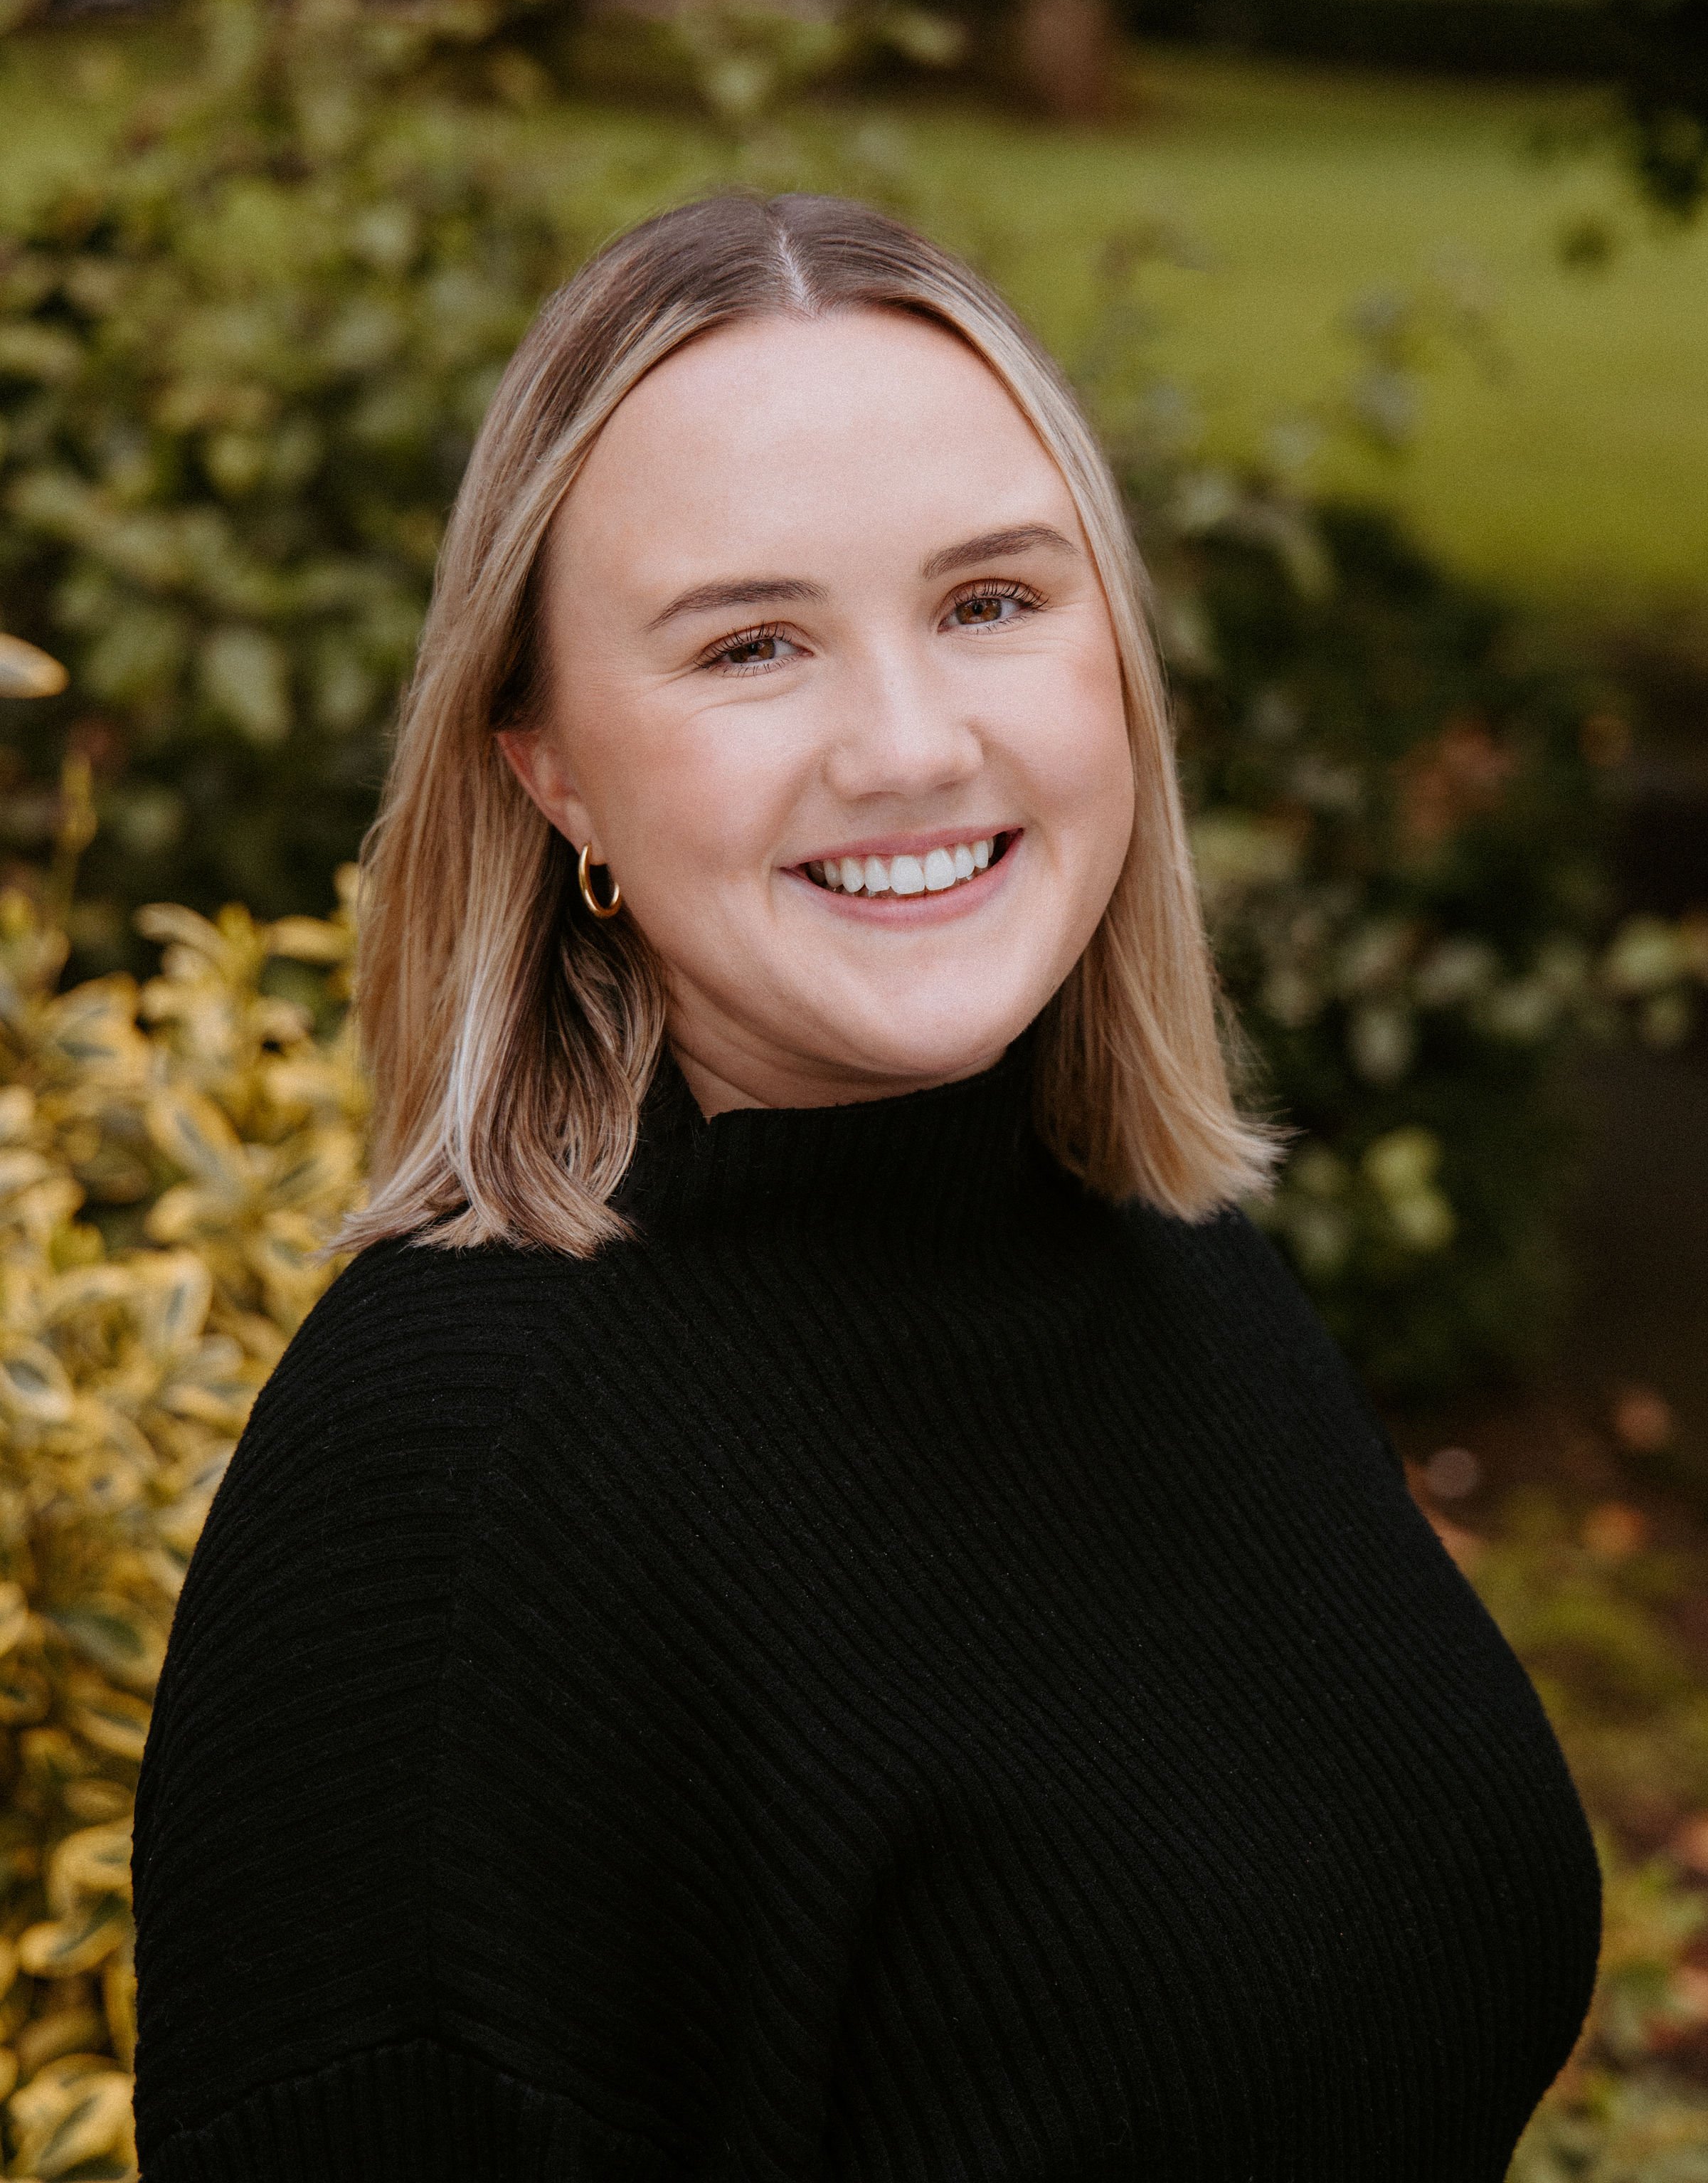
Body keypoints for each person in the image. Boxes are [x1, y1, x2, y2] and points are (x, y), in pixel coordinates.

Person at [132, 194, 1599, 2182]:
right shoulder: (450, 1508)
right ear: (548, 767)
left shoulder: (1152, 1253)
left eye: (992, 600)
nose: (910, 743)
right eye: (752, 644)